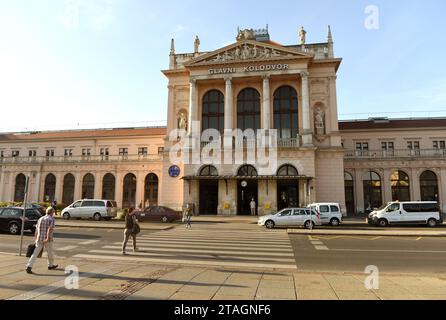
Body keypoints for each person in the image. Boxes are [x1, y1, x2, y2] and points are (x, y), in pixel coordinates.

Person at [26, 207, 58, 274]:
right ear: (52, 212)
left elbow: (36, 230)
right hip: (47, 240)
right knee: (50, 253)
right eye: (53, 212)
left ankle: (29, 266)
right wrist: (47, 238)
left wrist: (36, 238)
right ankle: (50, 265)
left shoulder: (40, 218)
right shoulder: (51, 219)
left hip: (39, 238)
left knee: (35, 253)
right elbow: (50, 229)